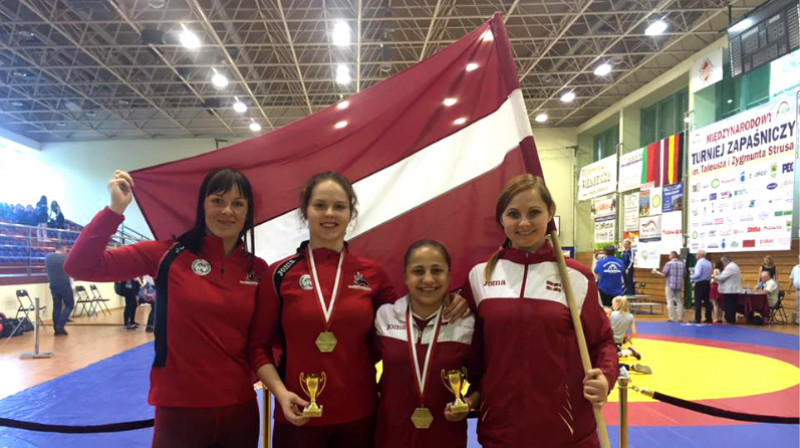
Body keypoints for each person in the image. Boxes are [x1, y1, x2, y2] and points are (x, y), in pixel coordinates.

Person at [248, 172, 469, 448]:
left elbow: (408, 322)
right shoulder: (279, 274)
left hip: (360, 418)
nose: (330, 214)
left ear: (351, 214)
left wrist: (450, 299)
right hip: (297, 416)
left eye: (339, 206)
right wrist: (281, 395)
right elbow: (258, 348)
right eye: (320, 205)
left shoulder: (372, 274)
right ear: (305, 212)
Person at [65, 168, 269, 447]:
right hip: (179, 410)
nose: (227, 211)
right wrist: (115, 210)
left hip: (240, 409)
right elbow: (79, 265)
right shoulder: (166, 254)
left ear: (247, 212)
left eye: (238, 203)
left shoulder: (257, 270)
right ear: (202, 206)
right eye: (218, 201)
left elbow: (264, 340)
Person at [464, 174, 617, 447]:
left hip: (567, 432)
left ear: (550, 213)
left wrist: (605, 377)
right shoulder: (480, 275)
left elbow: (602, 341)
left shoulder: (577, 276)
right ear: (501, 220)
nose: (524, 223)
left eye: (534, 212)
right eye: (513, 214)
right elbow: (472, 351)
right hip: (501, 432)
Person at [374, 240, 479, 448]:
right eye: (418, 271)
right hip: (393, 435)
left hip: (446, 436)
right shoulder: (384, 317)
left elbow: (483, 378)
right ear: (405, 275)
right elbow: (361, 367)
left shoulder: (466, 322)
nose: (428, 279)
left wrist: (469, 403)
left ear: (449, 275)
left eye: (437, 270)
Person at [609, 296, 651, 374]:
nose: (612, 306)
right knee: (613, 357)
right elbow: (634, 333)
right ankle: (629, 352)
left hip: (609, 342)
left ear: (618, 304)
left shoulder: (612, 314)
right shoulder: (630, 316)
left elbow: (607, 327)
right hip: (618, 343)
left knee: (607, 363)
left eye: (613, 304)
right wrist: (627, 337)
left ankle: (630, 365)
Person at [44, 243, 73, 336]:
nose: (66, 252)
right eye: (66, 250)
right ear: (63, 249)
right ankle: (60, 325)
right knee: (70, 304)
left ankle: (56, 328)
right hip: (64, 285)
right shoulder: (65, 259)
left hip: (53, 285)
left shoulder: (48, 258)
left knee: (57, 306)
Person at [653, 251, 686, 323]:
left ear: (672, 256)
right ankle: (680, 318)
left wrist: (657, 272)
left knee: (670, 301)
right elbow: (684, 275)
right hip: (679, 285)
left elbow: (664, 274)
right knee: (679, 301)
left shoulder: (668, 264)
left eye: (669, 255)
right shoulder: (682, 264)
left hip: (670, 284)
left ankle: (672, 318)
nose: (669, 256)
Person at [716, 255, 742, 324]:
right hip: (732, 290)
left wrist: (715, 277)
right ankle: (730, 320)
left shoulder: (730, 267)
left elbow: (722, 277)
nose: (722, 263)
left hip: (729, 291)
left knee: (729, 307)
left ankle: (730, 321)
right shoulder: (734, 266)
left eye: (722, 262)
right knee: (731, 307)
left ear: (725, 261)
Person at [690, 250, 712, 324]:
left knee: (698, 302)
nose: (696, 256)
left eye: (696, 254)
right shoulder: (709, 263)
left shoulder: (699, 262)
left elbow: (698, 274)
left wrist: (691, 277)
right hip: (707, 283)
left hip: (700, 283)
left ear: (700, 255)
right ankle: (709, 318)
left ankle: (697, 318)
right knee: (707, 302)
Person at [789, 254, 800, 325]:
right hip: (798, 290)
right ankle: (798, 320)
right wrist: (789, 287)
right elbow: (791, 278)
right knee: (798, 306)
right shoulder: (795, 268)